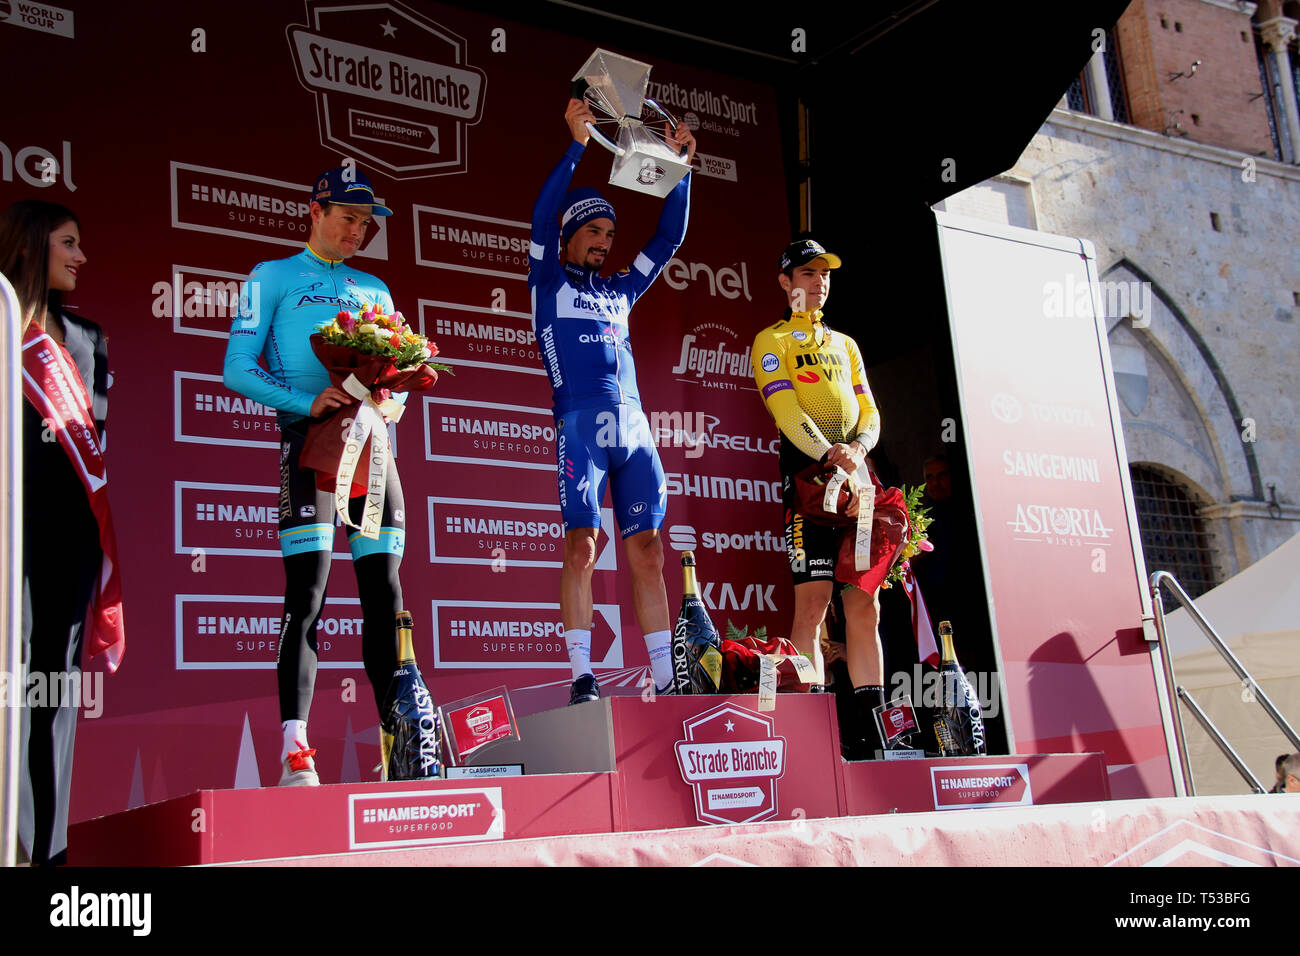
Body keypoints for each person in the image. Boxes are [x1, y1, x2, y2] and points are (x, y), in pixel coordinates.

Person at [224, 168, 406, 786]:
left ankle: (398, 745)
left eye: (367, 223)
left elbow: (400, 380)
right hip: (309, 448)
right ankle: (294, 752)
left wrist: (389, 405)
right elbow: (236, 368)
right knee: (308, 596)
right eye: (348, 218)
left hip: (373, 454)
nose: (359, 231)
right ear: (315, 210)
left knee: (384, 596)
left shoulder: (376, 289)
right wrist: (308, 405)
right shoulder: (269, 277)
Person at [529, 97, 696, 705]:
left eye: (609, 234)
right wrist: (576, 145)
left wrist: (681, 171)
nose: (604, 242)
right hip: (581, 426)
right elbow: (543, 218)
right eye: (594, 232)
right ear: (572, 236)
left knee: (649, 552)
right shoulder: (547, 279)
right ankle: (581, 675)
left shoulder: (623, 289)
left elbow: (670, 236)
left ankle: (664, 679)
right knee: (581, 546)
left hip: (635, 433)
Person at [2, 200, 124, 864]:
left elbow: (91, 447)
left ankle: (46, 858)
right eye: (68, 243)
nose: (81, 257)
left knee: (53, 693)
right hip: (5, 536)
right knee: (7, 685)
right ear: (29, 246)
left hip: (68, 539)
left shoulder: (91, 339)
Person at [751, 239, 888, 754]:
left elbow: (870, 411)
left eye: (825, 273)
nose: (819, 281)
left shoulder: (846, 344)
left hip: (858, 485)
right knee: (812, 605)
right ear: (786, 282)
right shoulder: (771, 340)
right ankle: (814, 729)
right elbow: (788, 415)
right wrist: (835, 456)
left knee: (866, 604)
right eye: (807, 273)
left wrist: (858, 450)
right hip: (810, 487)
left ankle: (875, 727)